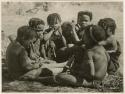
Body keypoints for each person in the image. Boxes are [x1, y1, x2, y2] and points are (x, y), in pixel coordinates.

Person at [28, 25, 109, 88]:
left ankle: (38, 79)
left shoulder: (89, 52)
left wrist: (77, 72)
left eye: (84, 35)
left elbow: (91, 74)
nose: (82, 37)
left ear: (89, 38)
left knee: (61, 77)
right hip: (100, 80)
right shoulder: (103, 49)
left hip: (91, 82)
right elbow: (107, 59)